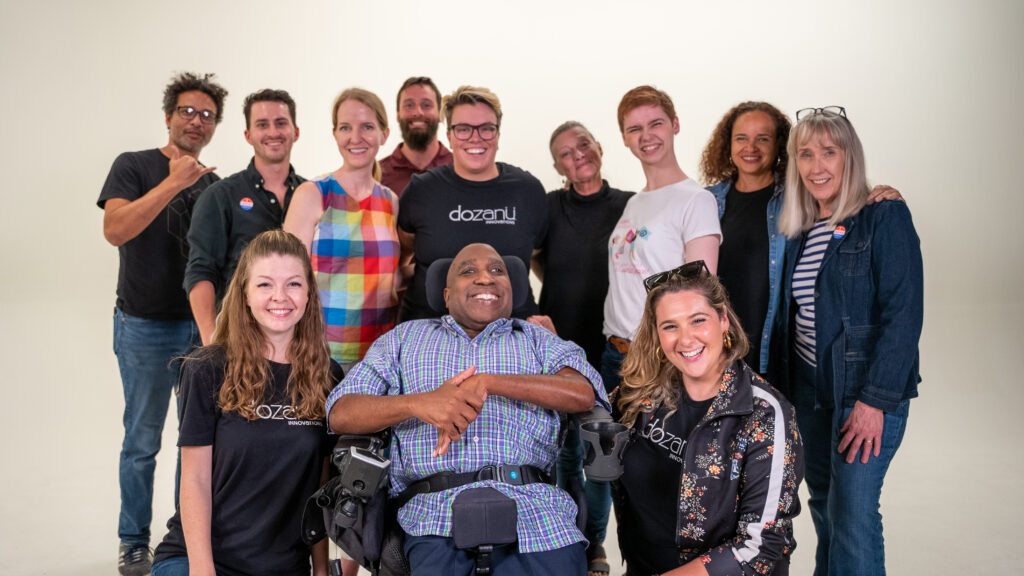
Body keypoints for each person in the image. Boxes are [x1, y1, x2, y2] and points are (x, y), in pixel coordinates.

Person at [327, 243, 609, 576]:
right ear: (446, 295)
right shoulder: (403, 339)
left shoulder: (538, 339)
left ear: (512, 289)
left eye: (497, 270)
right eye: (469, 271)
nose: (486, 279)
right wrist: (419, 403)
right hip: (432, 514)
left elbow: (582, 393)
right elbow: (341, 412)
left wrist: (489, 382)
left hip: (537, 512)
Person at [773, 107, 923, 576]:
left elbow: (904, 316)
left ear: (849, 157)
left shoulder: (882, 216)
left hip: (863, 392)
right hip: (810, 393)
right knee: (825, 507)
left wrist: (874, 401)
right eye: (805, 154)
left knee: (854, 515)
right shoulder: (798, 230)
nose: (817, 166)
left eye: (829, 152)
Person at [150, 230, 342, 576]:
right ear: (245, 295)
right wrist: (203, 570)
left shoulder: (327, 376)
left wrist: (321, 569)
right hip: (199, 559)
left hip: (283, 566)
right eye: (265, 284)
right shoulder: (207, 368)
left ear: (309, 294)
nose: (280, 296)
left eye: (294, 284)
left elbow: (321, 484)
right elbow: (194, 479)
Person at [97, 71, 227, 576]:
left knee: (195, 442)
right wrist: (174, 181)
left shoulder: (215, 185)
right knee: (142, 440)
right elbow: (115, 229)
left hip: (201, 331)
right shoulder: (134, 165)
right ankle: (134, 540)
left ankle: (180, 540)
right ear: (169, 116)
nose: (196, 121)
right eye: (187, 112)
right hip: (144, 326)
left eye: (207, 115)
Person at [614, 261, 802, 576]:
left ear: (723, 319)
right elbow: (590, 406)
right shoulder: (643, 393)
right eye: (670, 326)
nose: (685, 339)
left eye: (698, 320)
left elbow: (761, 546)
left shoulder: (765, 413)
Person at [699, 102, 903, 375]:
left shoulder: (799, 198)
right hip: (720, 351)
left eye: (763, 139)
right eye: (741, 138)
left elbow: (844, 194)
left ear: (780, 146)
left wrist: (880, 197)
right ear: (728, 144)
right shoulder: (707, 201)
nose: (751, 147)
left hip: (777, 357)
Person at [528, 120, 633, 576]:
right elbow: (533, 255)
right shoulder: (550, 207)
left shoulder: (629, 205)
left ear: (600, 147)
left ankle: (595, 544)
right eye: (566, 153)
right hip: (559, 348)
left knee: (601, 453)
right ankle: (565, 538)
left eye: (583, 145)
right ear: (558, 167)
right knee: (563, 453)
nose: (578, 156)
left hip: (613, 347)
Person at [602, 85, 721, 408]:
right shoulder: (635, 202)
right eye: (635, 129)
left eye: (656, 123)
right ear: (624, 138)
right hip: (615, 353)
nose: (646, 136)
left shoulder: (696, 200)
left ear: (675, 125)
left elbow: (702, 294)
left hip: (659, 359)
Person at [397, 85, 547, 322]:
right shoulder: (421, 191)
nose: (475, 137)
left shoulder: (528, 190)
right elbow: (401, 256)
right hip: (430, 330)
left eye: (486, 128)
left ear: (498, 135)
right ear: (449, 136)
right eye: (463, 129)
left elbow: (538, 256)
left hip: (512, 333)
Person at [284, 88, 400, 372]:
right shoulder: (312, 194)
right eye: (346, 127)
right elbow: (285, 279)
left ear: (384, 134)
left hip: (381, 356)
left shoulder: (391, 201)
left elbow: (391, 277)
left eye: (367, 127)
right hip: (320, 355)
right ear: (335, 134)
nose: (355, 137)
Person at [185, 89, 305, 345]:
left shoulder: (311, 195)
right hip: (237, 340)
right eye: (262, 124)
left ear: (295, 132)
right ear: (248, 135)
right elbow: (201, 271)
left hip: (299, 343)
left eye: (281, 123)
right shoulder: (220, 196)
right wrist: (211, 343)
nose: (273, 132)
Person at [379, 76, 453, 196]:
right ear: (398, 115)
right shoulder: (377, 175)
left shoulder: (460, 169)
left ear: (440, 115)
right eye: (409, 105)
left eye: (426, 105)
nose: (417, 112)